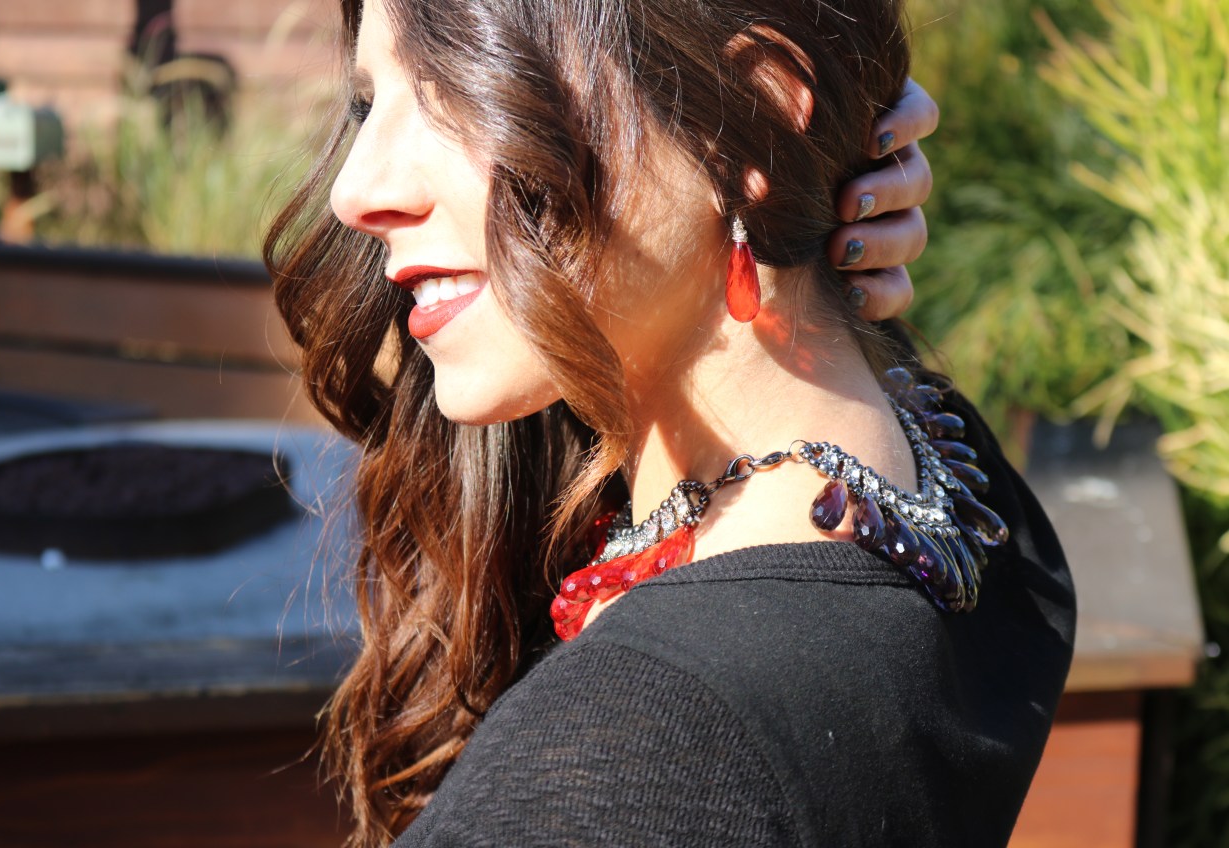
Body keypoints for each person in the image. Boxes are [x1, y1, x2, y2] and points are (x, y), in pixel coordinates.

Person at [265, 0, 1075, 845]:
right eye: (370, 102)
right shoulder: (947, 470)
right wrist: (819, 147)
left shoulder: (617, 771)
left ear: (752, 108)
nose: (355, 192)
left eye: (454, 89)